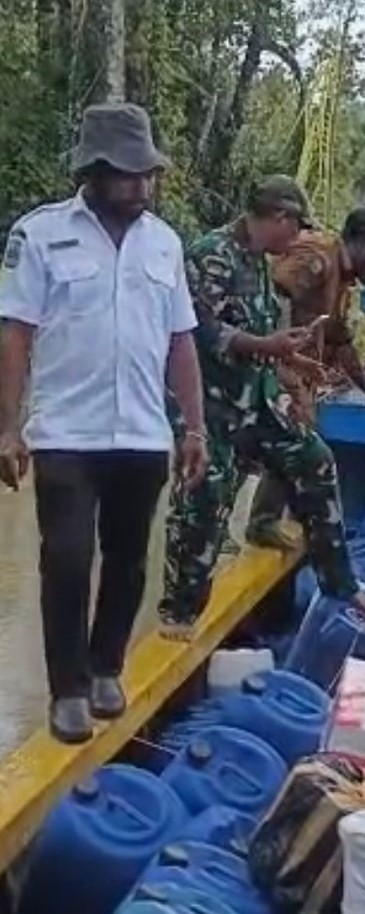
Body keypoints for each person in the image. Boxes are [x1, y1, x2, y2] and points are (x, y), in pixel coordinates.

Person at [0, 103, 207, 745]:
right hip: (65, 432)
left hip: (143, 434)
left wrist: (194, 428)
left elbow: (181, 341)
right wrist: (8, 427)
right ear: (92, 172)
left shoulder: (165, 243)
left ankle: (105, 667)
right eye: (127, 175)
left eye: (148, 175)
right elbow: (15, 336)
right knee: (65, 557)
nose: (142, 187)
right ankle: (66, 689)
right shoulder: (39, 236)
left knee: (128, 560)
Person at [159, 176, 365, 638]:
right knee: (205, 496)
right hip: (208, 404)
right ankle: (179, 612)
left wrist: (289, 359)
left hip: (253, 398)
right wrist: (267, 345)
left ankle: (339, 584)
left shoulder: (259, 262)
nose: (296, 241)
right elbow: (198, 331)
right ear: (277, 217)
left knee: (314, 460)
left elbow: (254, 334)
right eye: (293, 229)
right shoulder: (209, 255)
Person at [245, 206, 365, 550]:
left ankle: (271, 518)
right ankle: (260, 522)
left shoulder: (342, 282)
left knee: (299, 434)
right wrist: (281, 356)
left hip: (296, 368)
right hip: (267, 359)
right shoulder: (318, 258)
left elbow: (341, 343)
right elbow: (275, 292)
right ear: (363, 243)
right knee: (296, 432)